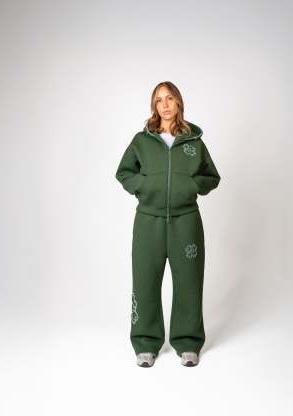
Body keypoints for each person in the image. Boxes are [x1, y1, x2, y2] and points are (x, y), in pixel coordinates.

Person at [115, 81, 221, 367]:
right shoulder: (142, 141)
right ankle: (146, 343)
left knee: (189, 281)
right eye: (159, 99)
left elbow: (211, 177)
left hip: (186, 221)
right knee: (145, 281)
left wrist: (191, 186)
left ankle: (188, 342)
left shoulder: (193, 142)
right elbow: (124, 172)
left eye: (170, 98)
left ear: (178, 103)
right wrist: (144, 186)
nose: (164, 104)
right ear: (154, 106)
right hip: (148, 221)